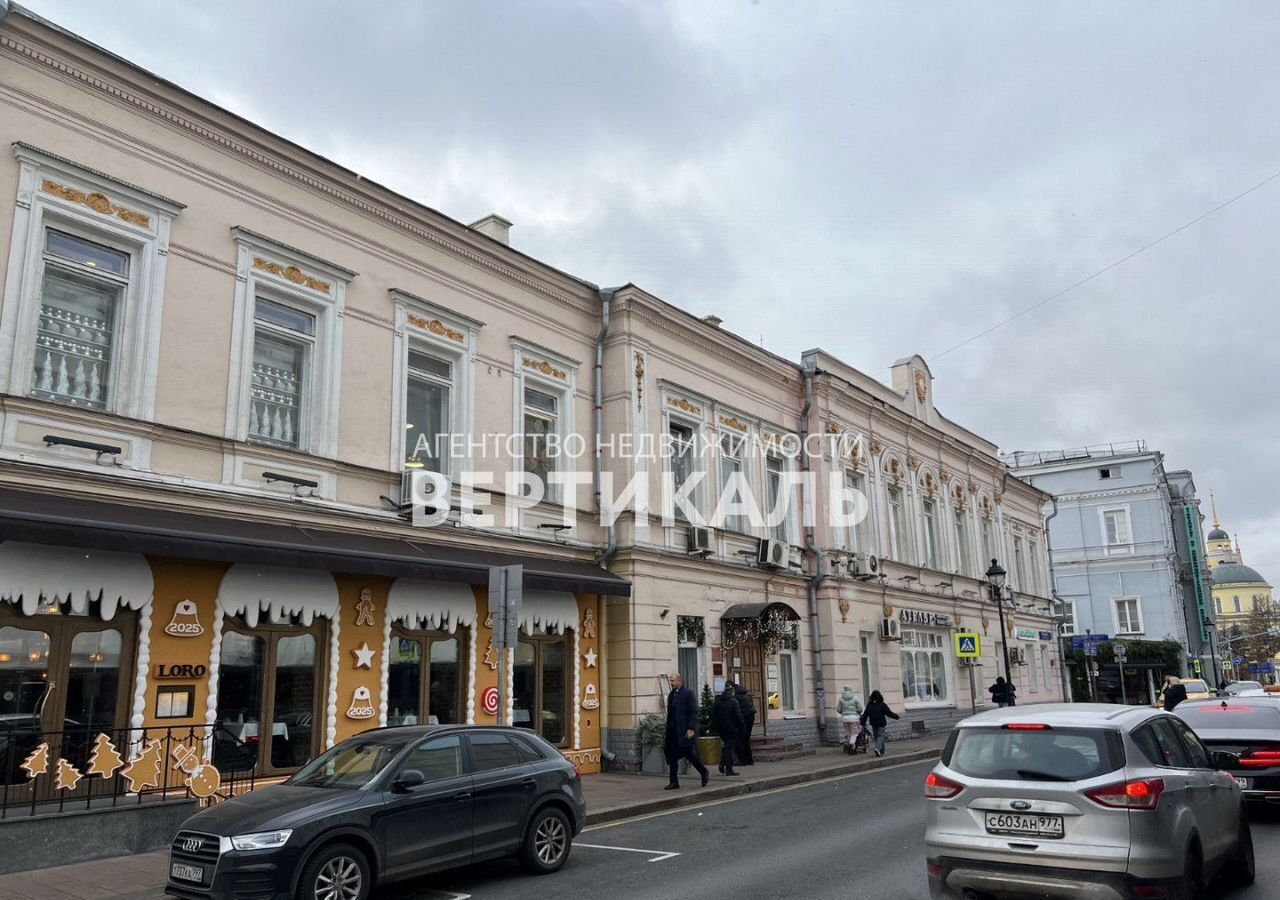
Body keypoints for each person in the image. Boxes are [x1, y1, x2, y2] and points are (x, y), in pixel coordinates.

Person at [663, 673, 708, 789]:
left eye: (673, 681)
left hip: (684, 731)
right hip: (673, 731)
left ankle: (703, 771)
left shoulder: (688, 694)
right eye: (670, 681)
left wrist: (691, 728)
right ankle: (674, 782)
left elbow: (693, 712)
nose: (671, 683)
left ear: (679, 681)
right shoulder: (672, 694)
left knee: (689, 754)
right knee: (672, 756)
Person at [712, 685, 744, 776]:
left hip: (721, 729)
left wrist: (716, 727)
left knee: (726, 747)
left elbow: (713, 715)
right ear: (732, 692)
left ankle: (722, 764)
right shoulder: (733, 702)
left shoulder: (718, 701)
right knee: (730, 749)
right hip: (732, 729)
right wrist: (742, 728)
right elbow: (738, 717)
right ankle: (729, 769)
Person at [859, 690, 900, 757]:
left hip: (873, 723)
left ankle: (882, 751)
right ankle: (877, 748)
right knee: (881, 736)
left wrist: (862, 722)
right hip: (881, 723)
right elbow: (888, 713)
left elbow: (865, 714)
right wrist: (896, 716)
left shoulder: (869, 705)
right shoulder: (882, 704)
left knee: (877, 738)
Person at [734, 682, 756, 765]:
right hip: (751, 718)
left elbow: (736, 711)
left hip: (744, 719)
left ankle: (742, 760)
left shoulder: (736, 697)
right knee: (746, 740)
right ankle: (750, 760)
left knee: (740, 740)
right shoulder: (747, 696)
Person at [836, 686, 863, 753]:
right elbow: (860, 709)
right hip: (854, 718)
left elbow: (839, 710)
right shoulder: (855, 698)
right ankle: (851, 745)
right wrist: (858, 712)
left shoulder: (841, 699)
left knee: (848, 733)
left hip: (845, 718)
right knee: (854, 733)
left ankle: (852, 749)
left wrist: (844, 712)